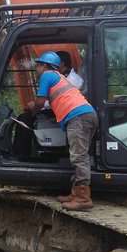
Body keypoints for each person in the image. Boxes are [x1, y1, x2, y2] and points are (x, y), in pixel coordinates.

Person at [28, 51, 98, 211]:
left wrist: (33, 107)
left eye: (38, 65)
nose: (36, 69)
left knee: (79, 157)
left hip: (78, 117)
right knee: (78, 155)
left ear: (44, 66)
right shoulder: (60, 77)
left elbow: (39, 103)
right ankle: (75, 193)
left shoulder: (47, 75)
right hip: (85, 115)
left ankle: (83, 198)